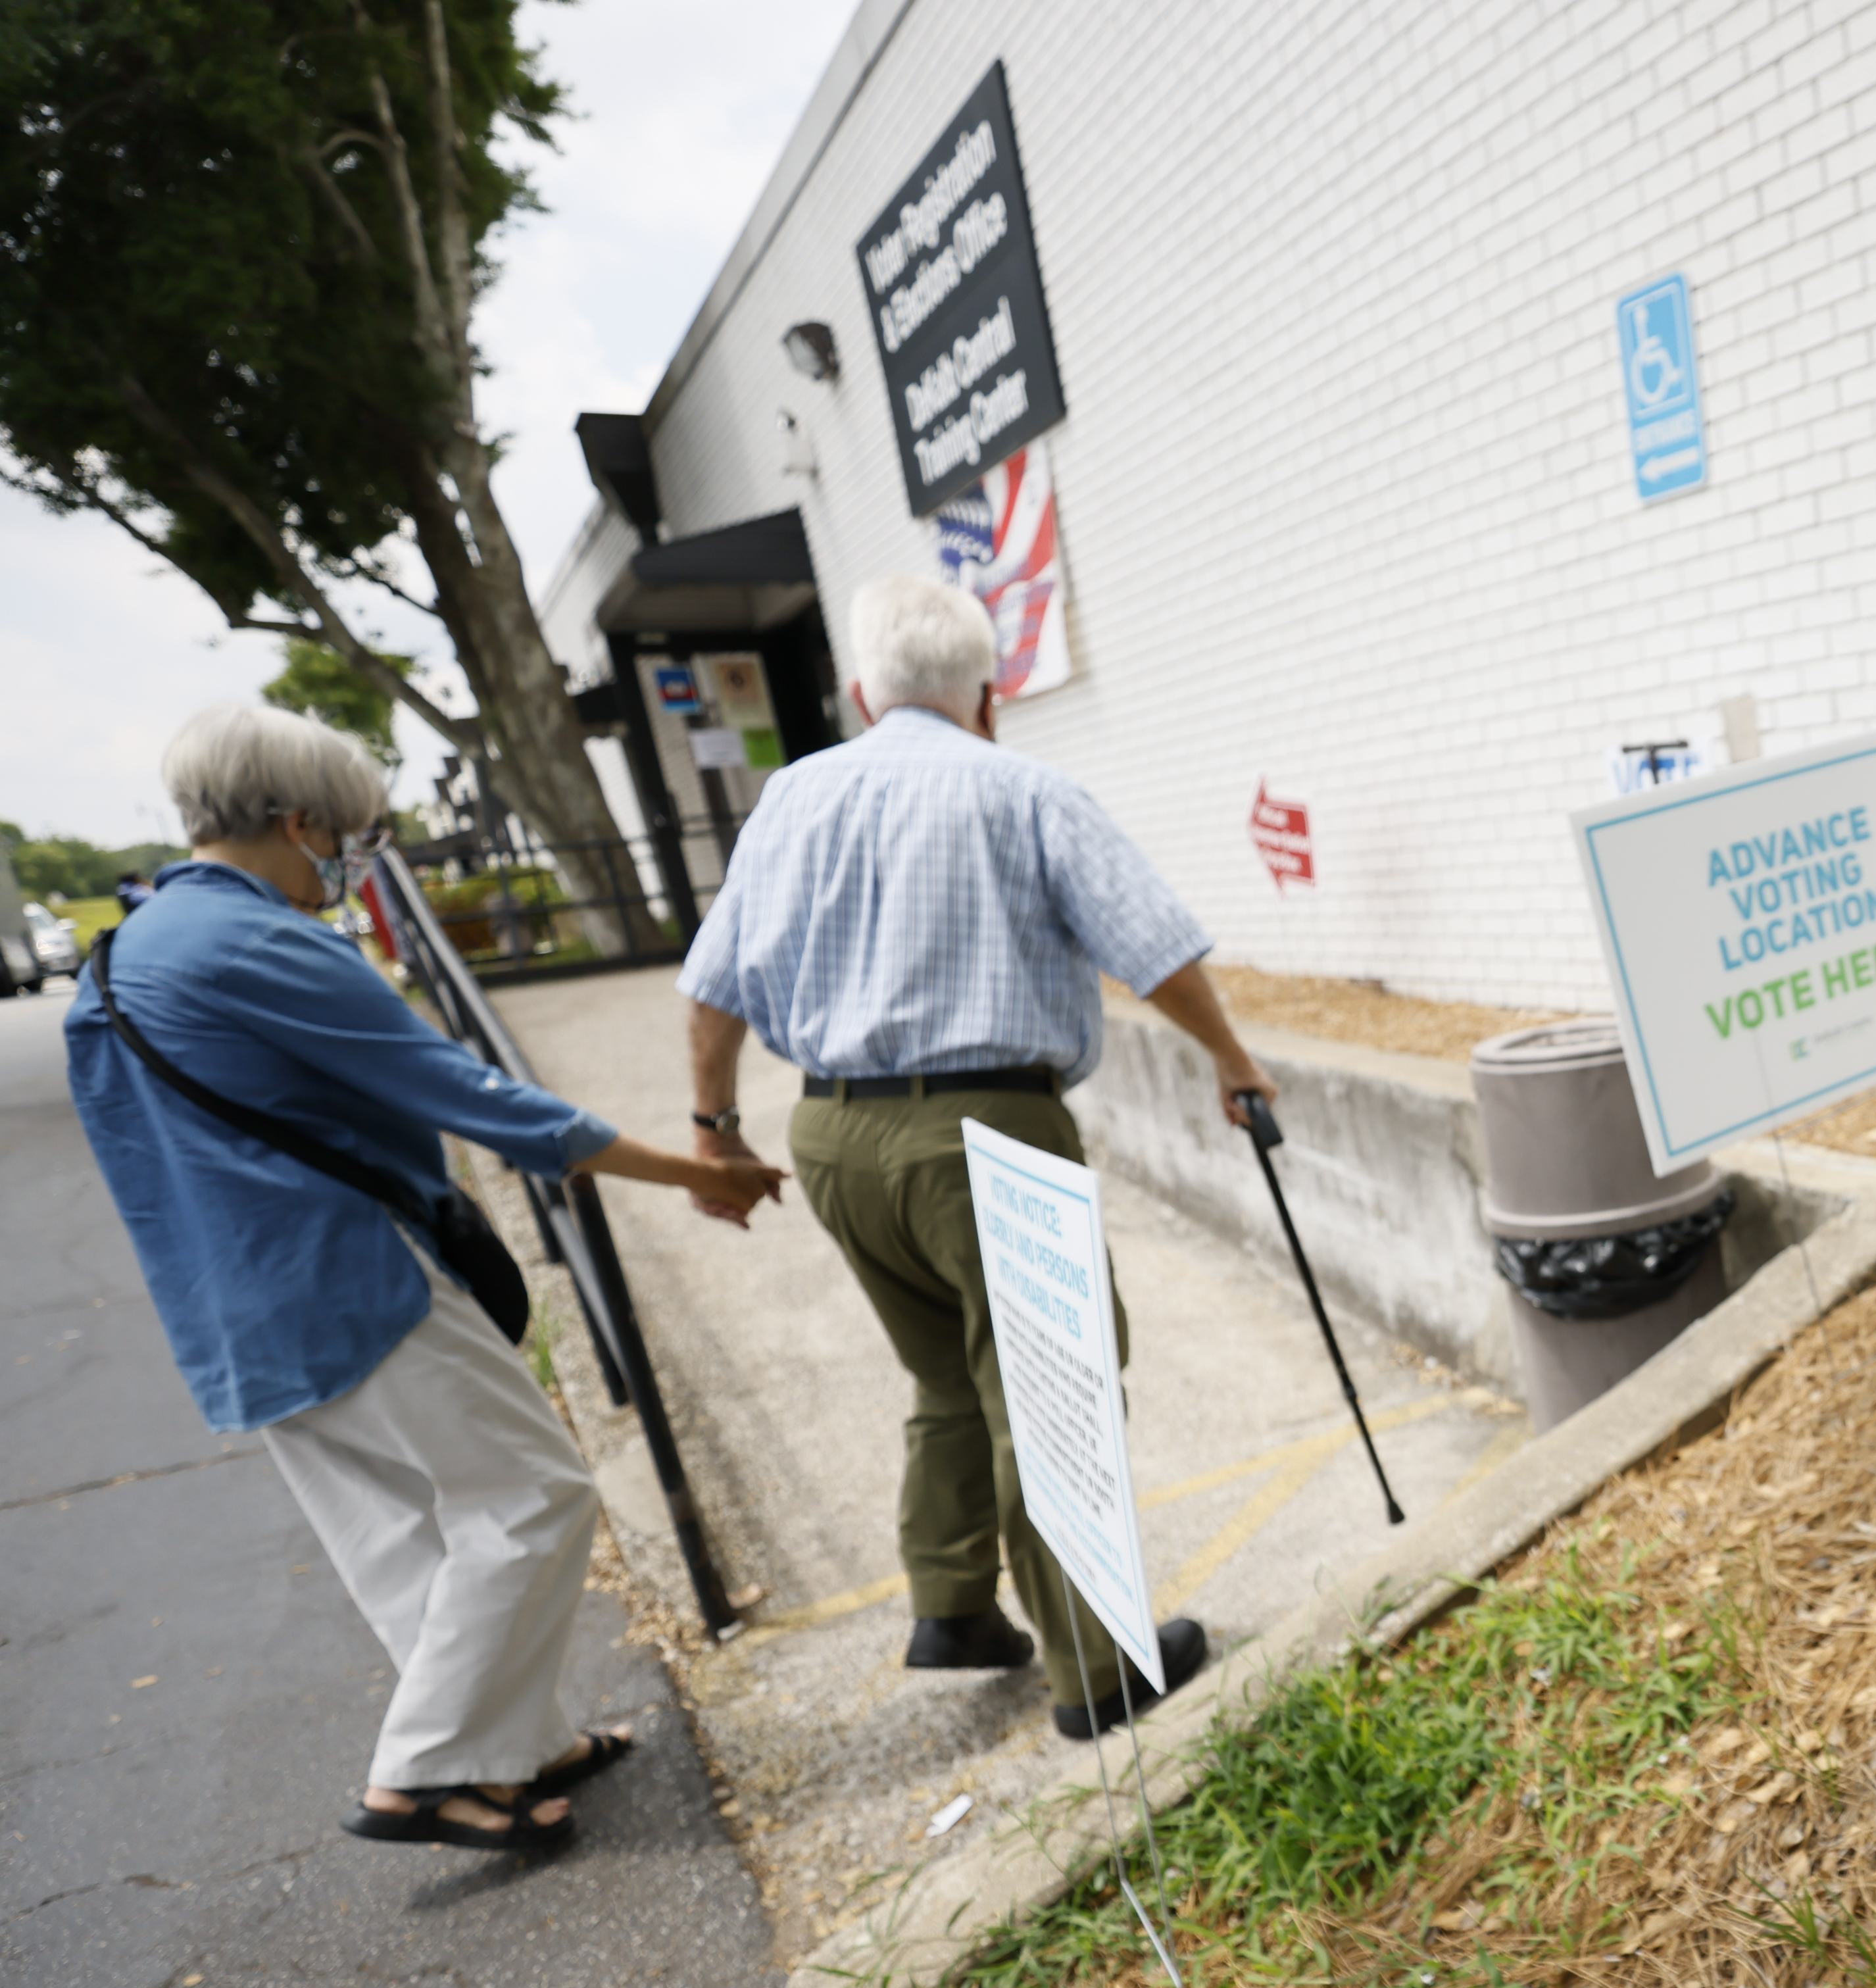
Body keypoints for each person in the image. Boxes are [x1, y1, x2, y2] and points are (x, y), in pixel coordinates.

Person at [67, 705, 786, 1852]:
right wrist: (696, 1167)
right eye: (356, 836)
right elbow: (478, 1098)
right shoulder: (261, 945)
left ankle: (513, 1749)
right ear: (301, 821)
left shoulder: (119, 956)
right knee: (534, 1493)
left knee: (399, 1532)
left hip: (225, 1306)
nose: (357, 862)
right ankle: (420, 1774)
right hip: (350, 1279)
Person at [678, 576, 1275, 1742]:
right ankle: (1098, 1673)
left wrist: (714, 1130)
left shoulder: (792, 798)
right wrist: (1233, 1060)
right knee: (1048, 1394)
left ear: (862, 693)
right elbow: (1151, 948)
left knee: (949, 1372)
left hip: (832, 1134)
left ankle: (952, 1604)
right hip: (986, 1131)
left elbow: (712, 988)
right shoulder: (1027, 790)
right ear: (987, 699)